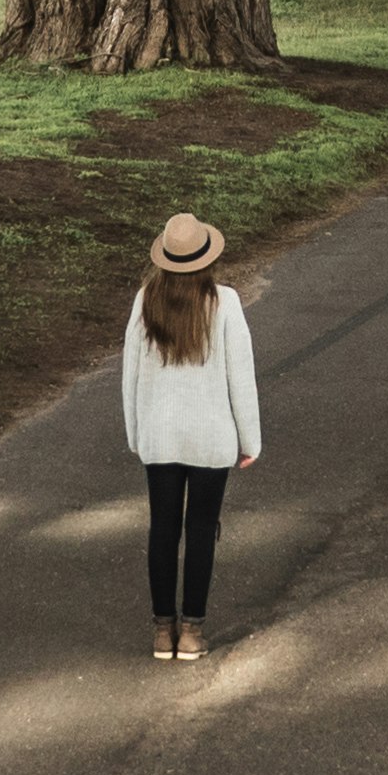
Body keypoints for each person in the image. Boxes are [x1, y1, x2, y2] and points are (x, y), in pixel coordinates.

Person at [119, 213, 262, 660]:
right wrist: (250, 440)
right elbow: (241, 378)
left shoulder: (147, 300)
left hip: (159, 438)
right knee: (201, 532)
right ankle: (193, 632)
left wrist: (136, 435)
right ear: (207, 258)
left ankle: (162, 631)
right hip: (211, 438)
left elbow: (131, 376)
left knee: (162, 530)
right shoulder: (226, 303)